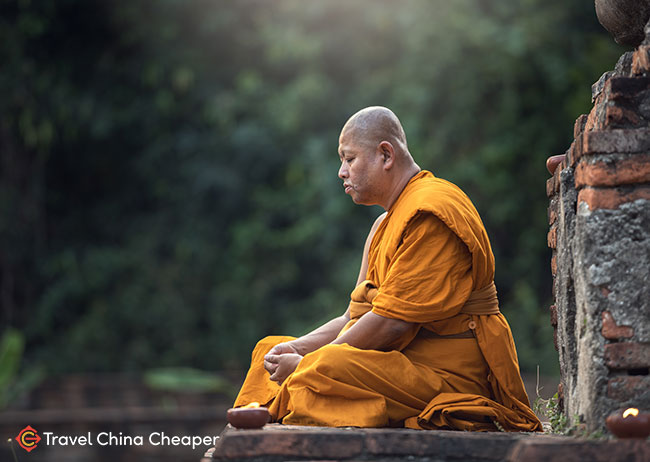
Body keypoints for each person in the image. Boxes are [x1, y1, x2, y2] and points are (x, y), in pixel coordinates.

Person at [233, 106, 542, 431]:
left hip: (447, 376)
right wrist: (298, 348)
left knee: (326, 367)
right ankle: (278, 405)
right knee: (270, 349)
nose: (341, 171)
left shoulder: (430, 212)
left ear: (385, 155)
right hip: (398, 364)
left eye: (349, 159)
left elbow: (391, 324)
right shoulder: (384, 224)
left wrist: (306, 364)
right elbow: (353, 319)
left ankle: (279, 405)